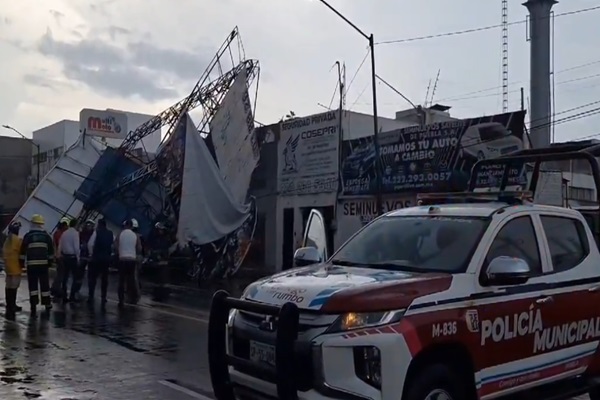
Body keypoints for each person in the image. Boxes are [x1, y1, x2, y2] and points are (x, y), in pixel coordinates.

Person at [19, 214, 54, 316]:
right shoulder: (46, 236)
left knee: (33, 286)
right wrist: (50, 262)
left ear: (32, 224)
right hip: (43, 264)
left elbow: (22, 251)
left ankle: (33, 305)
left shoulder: (28, 236)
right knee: (44, 285)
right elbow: (51, 251)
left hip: (31, 265)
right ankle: (47, 303)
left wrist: (21, 263)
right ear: (42, 225)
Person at [87, 218, 114, 306]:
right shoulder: (111, 234)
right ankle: (103, 297)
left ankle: (91, 296)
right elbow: (112, 246)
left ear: (100, 225)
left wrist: (91, 254)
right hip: (106, 259)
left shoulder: (96, 232)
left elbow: (90, 244)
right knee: (104, 279)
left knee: (93, 278)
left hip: (96, 258)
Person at [116, 219, 141, 308]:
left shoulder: (120, 234)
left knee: (121, 281)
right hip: (132, 260)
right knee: (131, 280)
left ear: (125, 225)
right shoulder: (135, 235)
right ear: (131, 226)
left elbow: (116, 246)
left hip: (122, 259)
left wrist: (120, 252)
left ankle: (121, 299)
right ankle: (132, 298)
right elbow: (139, 248)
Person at [3, 221, 23, 319]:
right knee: (14, 287)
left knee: (9, 287)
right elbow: (21, 252)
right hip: (15, 267)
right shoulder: (17, 240)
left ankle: (9, 305)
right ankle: (12, 306)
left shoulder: (8, 239)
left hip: (8, 267)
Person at [71, 219, 94, 301]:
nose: (89, 227)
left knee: (82, 275)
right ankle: (75, 290)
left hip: (86, 256)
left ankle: (76, 290)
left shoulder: (89, 234)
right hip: (82, 256)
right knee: (79, 274)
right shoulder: (82, 234)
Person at [59, 219, 80, 303]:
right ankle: (72, 296)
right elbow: (76, 247)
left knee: (65, 277)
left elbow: (61, 244)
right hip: (72, 257)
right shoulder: (75, 234)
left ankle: (64, 295)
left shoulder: (64, 233)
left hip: (65, 257)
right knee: (75, 277)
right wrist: (78, 258)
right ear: (76, 224)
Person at [149, 222, 171, 301]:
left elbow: (165, 251)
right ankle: (158, 295)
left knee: (163, 281)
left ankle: (163, 295)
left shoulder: (164, 240)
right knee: (158, 281)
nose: (160, 231)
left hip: (163, 263)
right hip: (158, 263)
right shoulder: (156, 240)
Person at [50, 217, 69, 300]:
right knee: (61, 274)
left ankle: (56, 288)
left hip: (58, 255)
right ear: (63, 226)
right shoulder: (59, 234)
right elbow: (59, 244)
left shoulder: (57, 233)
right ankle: (56, 288)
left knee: (60, 273)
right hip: (60, 255)